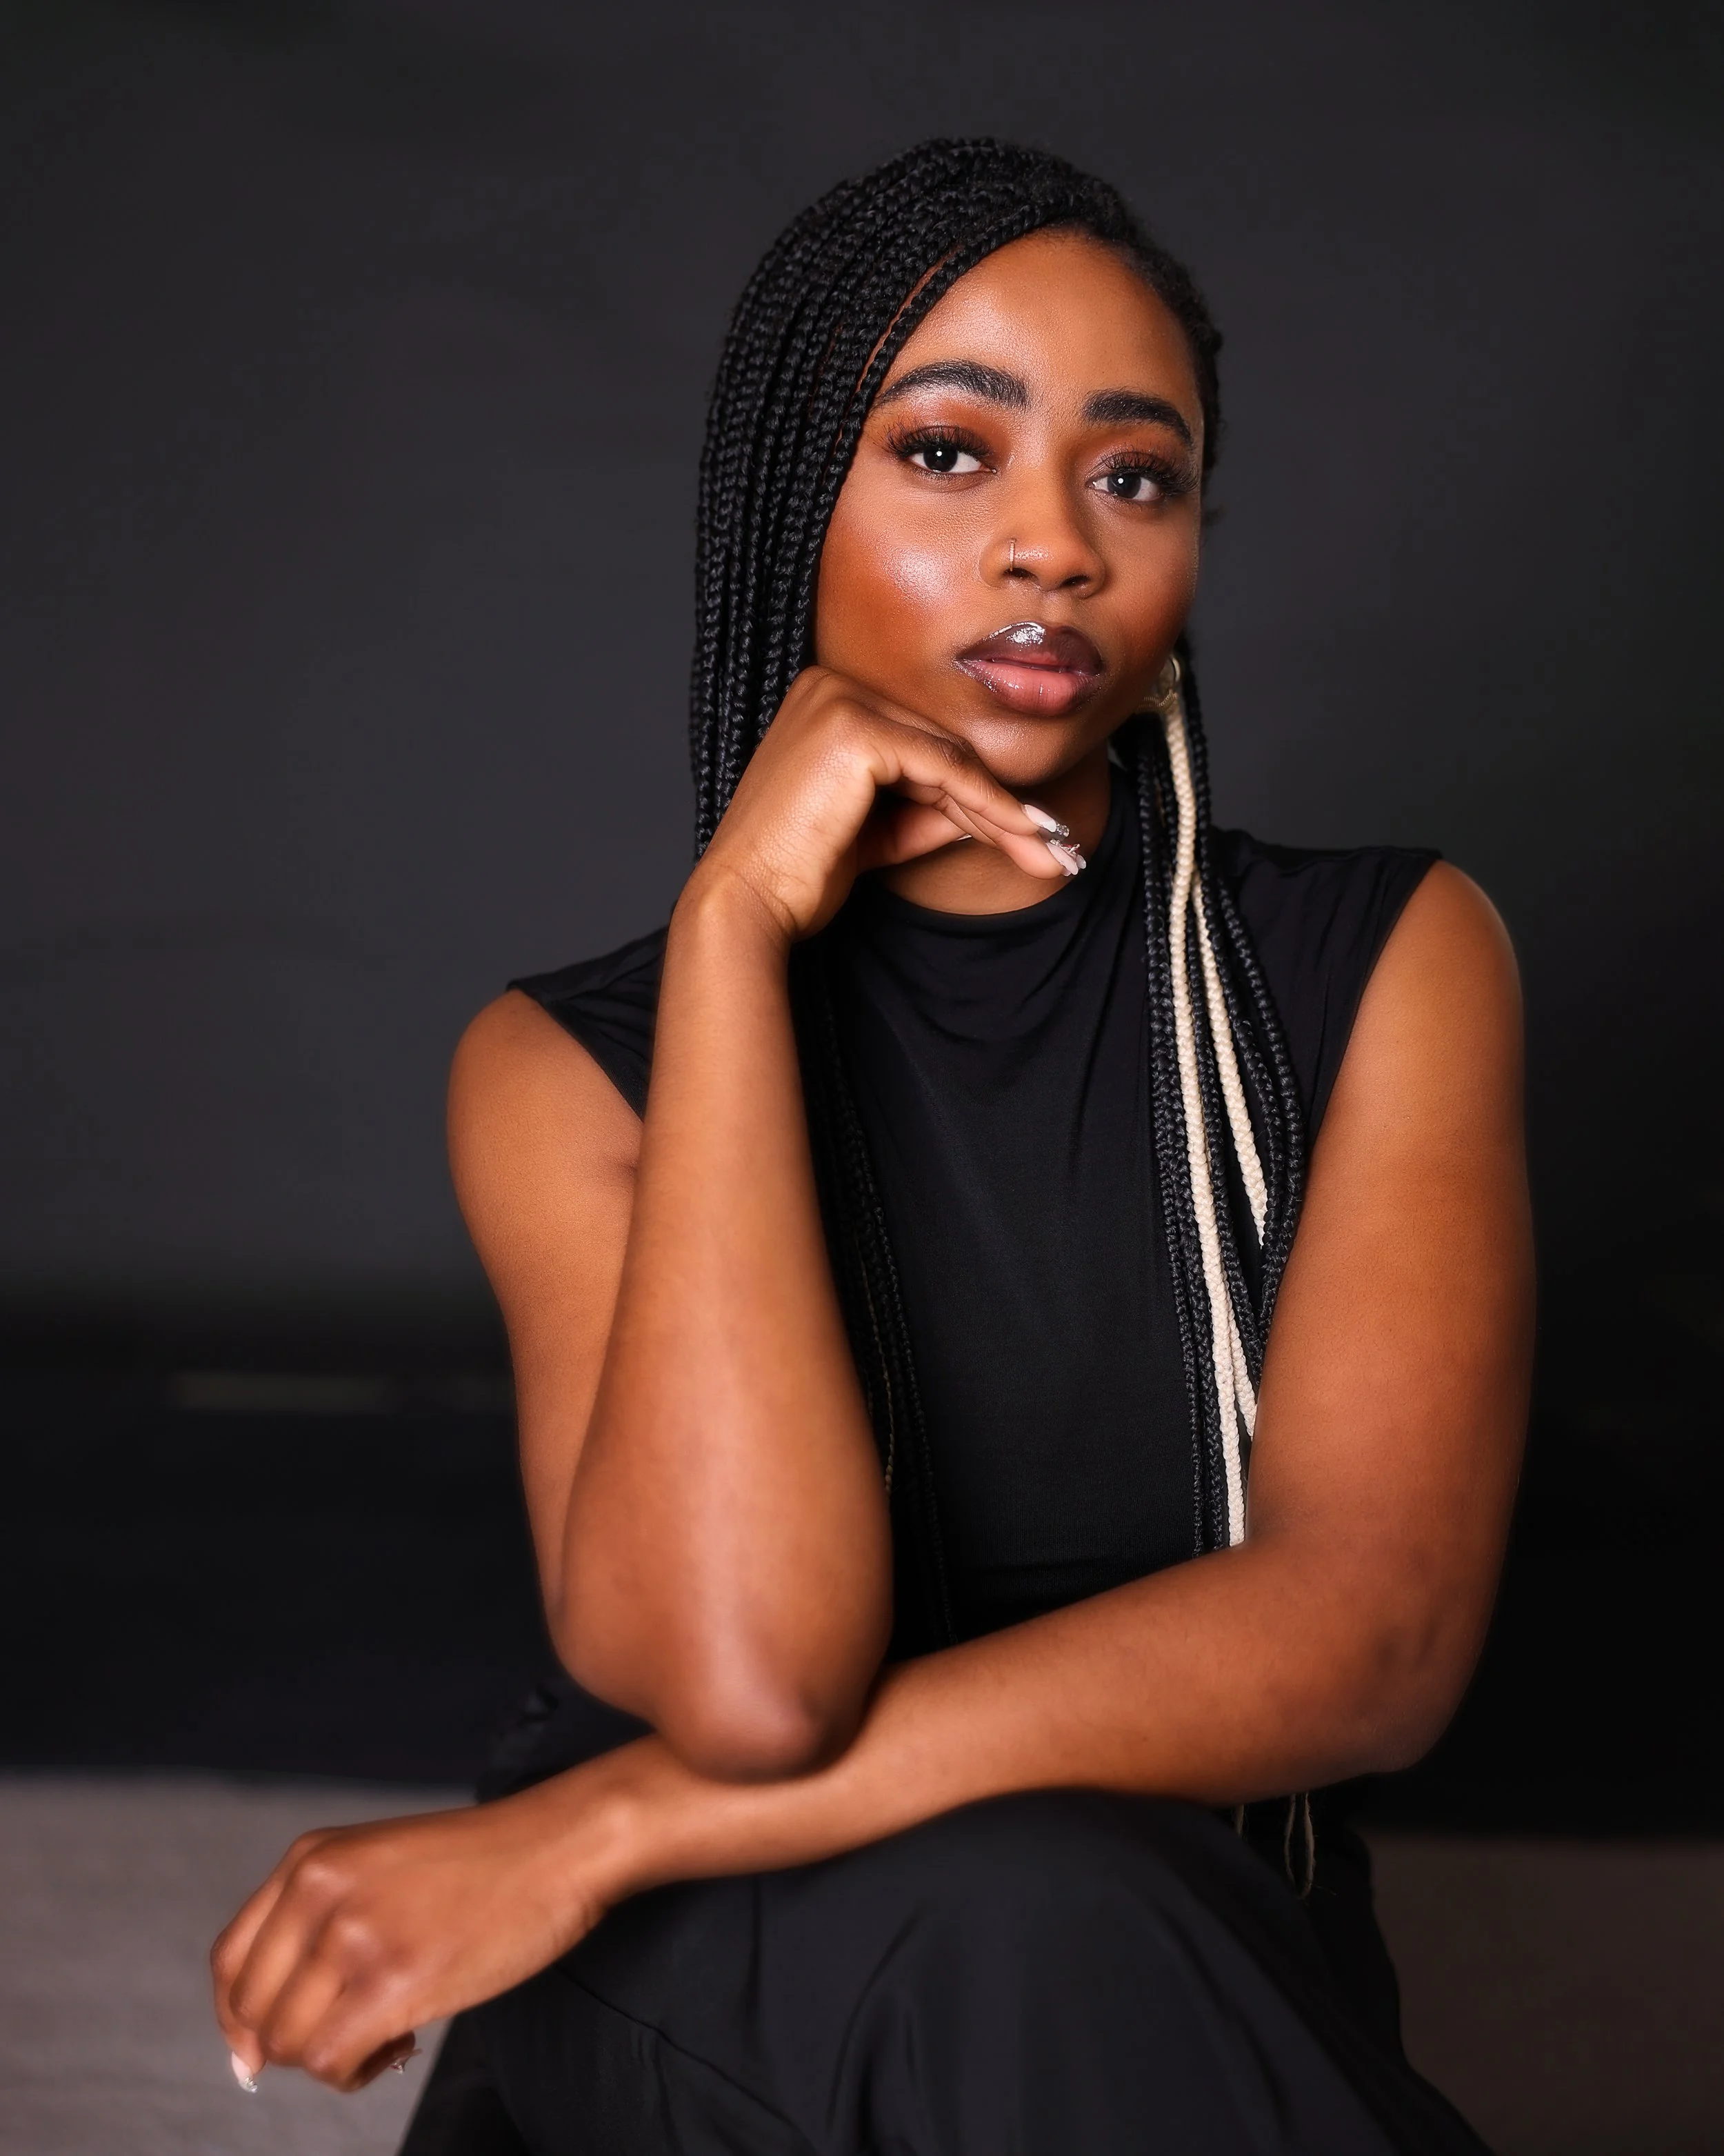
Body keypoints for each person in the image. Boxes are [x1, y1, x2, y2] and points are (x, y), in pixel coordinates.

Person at [212, 139, 1532, 2154]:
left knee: (1063, 1906)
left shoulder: (1375, 964)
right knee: (1035, 1907)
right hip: (707, 1996)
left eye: (1132, 472)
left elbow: (1373, 1630)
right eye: (945, 454)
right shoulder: (570, 1066)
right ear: (782, 517)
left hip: (1139, 1975)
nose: (1052, 546)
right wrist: (737, 935)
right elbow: (749, 1675)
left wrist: (603, 1818)